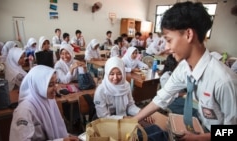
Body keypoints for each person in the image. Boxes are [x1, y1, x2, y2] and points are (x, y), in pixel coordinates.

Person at [134, 2, 237, 141]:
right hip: (200, 126)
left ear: (189, 34)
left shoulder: (223, 81)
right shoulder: (184, 68)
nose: (166, 48)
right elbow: (161, 98)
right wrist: (133, 120)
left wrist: (201, 138)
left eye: (169, 40)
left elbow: (231, 132)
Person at [94, 56, 168, 141]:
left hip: (126, 123)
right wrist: (124, 118)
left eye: (119, 73)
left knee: (156, 130)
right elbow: (103, 117)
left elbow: (130, 106)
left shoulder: (126, 86)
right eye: (111, 74)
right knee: (141, 137)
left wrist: (140, 112)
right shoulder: (101, 91)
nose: (115, 77)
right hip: (108, 125)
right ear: (106, 73)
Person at [9, 65, 79, 141]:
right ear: (38, 85)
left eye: (56, 83)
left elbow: (56, 129)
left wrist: (67, 137)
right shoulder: (24, 111)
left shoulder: (48, 100)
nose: (56, 88)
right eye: (50, 85)